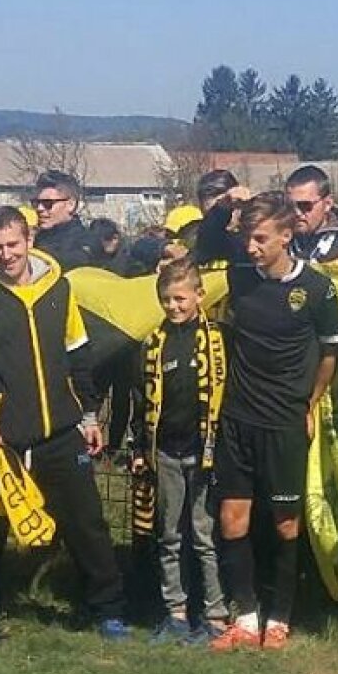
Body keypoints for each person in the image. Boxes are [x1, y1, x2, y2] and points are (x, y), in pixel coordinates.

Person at [0, 206, 130, 644]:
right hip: (1, 441)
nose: (5, 255)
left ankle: (107, 610)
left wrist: (87, 413)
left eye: (12, 245)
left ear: (28, 241)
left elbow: (80, 355)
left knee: (87, 523)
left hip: (62, 433)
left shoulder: (59, 290)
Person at [210, 193, 338, 651]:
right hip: (236, 419)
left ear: (288, 236)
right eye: (248, 237)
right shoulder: (239, 277)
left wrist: (311, 402)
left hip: (285, 421)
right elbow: (205, 242)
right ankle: (245, 617)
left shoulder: (318, 289)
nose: (252, 246)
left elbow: (330, 353)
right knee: (233, 520)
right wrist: (227, 205)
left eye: (261, 238)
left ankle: (280, 616)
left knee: (286, 523)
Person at [131, 259, 229, 644]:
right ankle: (175, 612)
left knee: (205, 536)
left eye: (180, 298)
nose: (173, 307)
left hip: (206, 453)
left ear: (199, 296)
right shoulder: (153, 344)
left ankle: (216, 614)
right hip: (167, 453)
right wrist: (140, 447)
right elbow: (142, 401)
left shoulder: (220, 339)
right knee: (170, 536)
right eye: (166, 300)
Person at [32, 170, 98, 269]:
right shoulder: (37, 239)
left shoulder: (82, 246)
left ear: (71, 205)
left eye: (48, 204)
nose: (40, 209)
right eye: (36, 203)